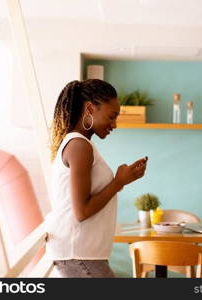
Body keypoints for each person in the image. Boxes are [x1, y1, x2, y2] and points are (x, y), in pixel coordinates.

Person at [45, 79, 148, 278]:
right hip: (79, 255)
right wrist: (118, 182)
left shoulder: (79, 144)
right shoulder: (80, 146)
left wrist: (123, 180)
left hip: (80, 254)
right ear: (90, 108)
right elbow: (82, 211)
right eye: (112, 116)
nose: (115, 124)